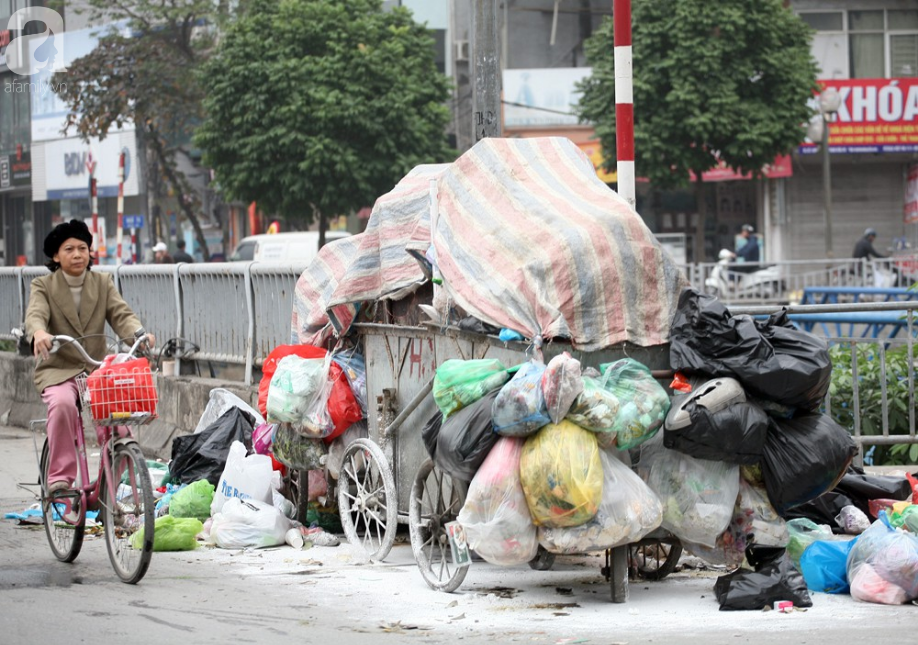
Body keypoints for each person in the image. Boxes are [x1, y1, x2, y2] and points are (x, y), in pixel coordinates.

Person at [25, 219, 155, 518]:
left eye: (82, 248)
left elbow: (121, 315)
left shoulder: (102, 282)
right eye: (69, 249)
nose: (77, 254)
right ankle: (60, 481)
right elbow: (36, 314)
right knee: (62, 406)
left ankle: (103, 489)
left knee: (122, 427)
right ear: (56, 256)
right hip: (58, 369)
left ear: (89, 252)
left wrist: (138, 334)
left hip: (97, 370)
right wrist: (39, 333)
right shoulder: (43, 286)